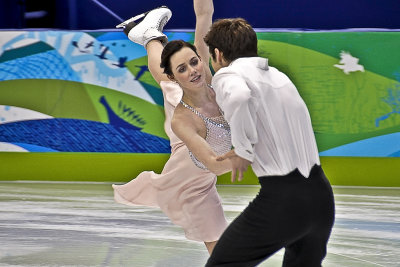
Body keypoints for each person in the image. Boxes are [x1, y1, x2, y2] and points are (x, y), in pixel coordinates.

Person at [203, 18, 336, 266]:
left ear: (218, 55)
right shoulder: (280, 77)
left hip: (285, 201)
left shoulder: (227, 75)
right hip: (321, 198)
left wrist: (243, 149)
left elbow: (239, 97)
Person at [112, 1, 232, 255]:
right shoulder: (182, 108)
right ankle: (150, 36)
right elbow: (217, 163)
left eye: (194, 62)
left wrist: (204, 9)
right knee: (170, 84)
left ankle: (150, 36)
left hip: (199, 175)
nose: (192, 70)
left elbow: (203, 21)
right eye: (182, 69)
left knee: (170, 80)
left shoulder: (211, 82)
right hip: (190, 177)